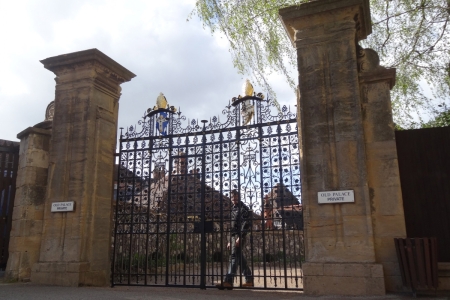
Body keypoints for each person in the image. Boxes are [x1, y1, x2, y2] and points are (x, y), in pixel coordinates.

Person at [216, 189, 253, 289]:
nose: (234, 199)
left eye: (236, 197)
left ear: (239, 197)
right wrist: (229, 240)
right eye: (232, 197)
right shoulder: (234, 208)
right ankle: (249, 279)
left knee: (233, 256)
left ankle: (228, 281)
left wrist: (240, 237)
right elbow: (232, 226)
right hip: (233, 236)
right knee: (239, 257)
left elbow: (246, 224)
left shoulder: (243, 209)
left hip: (239, 236)